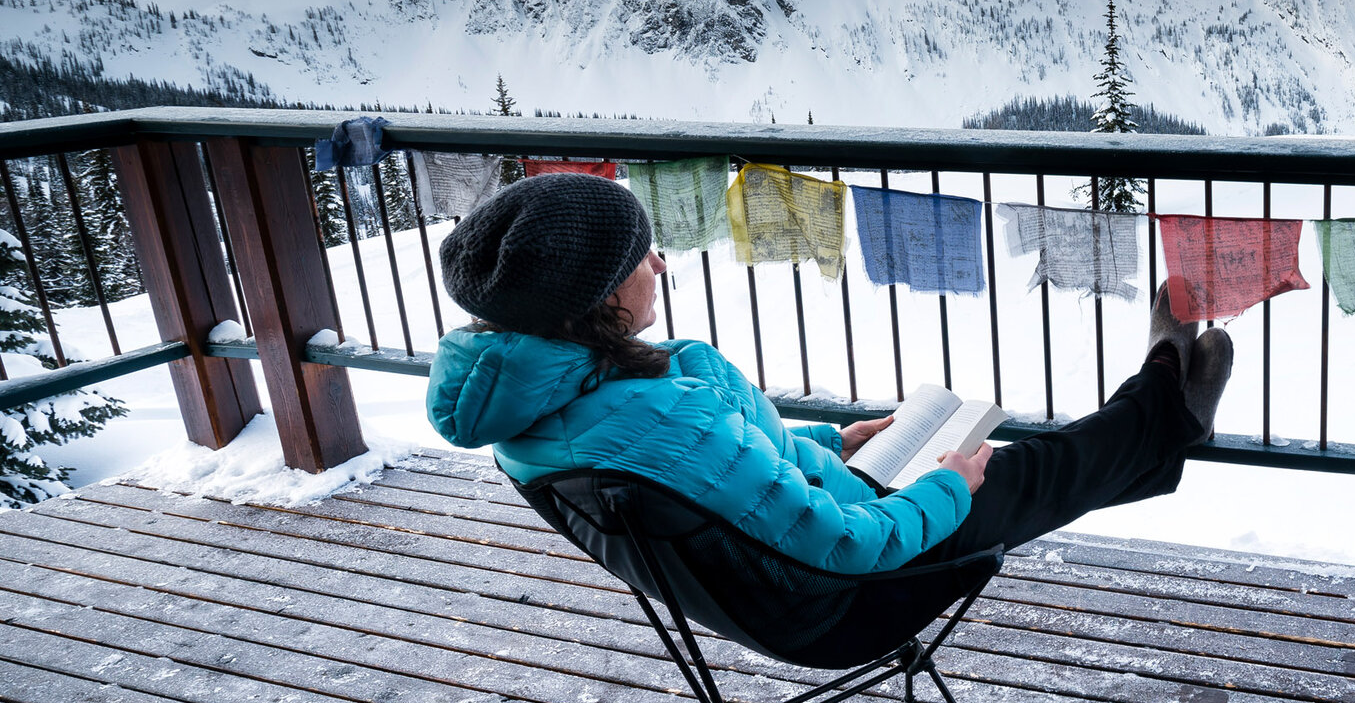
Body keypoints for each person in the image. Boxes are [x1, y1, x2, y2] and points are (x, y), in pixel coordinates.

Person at [424, 172, 1230, 574]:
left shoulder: (540, 405)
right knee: (1040, 468)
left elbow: (731, 479)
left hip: (786, 562)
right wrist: (947, 487)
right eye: (641, 256)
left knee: (1036, 468)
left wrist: (836, 442)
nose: (662, 266)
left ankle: (1168, 408)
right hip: (846, 590)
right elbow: (846, 545)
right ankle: (1166, 394)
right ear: (595, 298)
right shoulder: (656, 417)